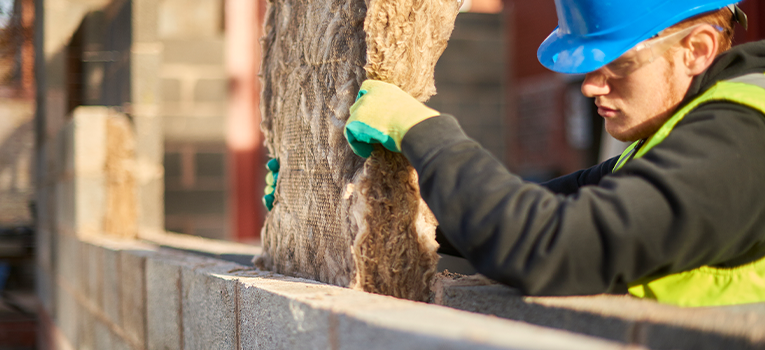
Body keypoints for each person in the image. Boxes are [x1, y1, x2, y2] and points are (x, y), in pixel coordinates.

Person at [343, 0, 765, 307]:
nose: (591, 86)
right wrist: (356, 205)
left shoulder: (746, 142)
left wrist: (424, 132)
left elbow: (545, 244)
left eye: (617, 62)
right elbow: (533, 209)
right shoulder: (676, 137)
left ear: (697, 50)